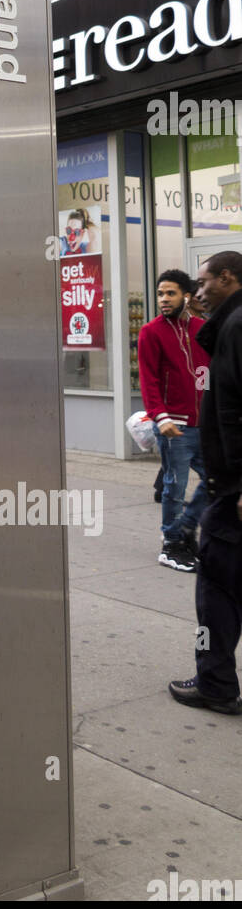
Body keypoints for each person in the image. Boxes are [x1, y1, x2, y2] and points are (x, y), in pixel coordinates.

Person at [169, 251, 242, 714]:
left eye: (204, 282)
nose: (198, 292)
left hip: (231, 491)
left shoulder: (235, 330)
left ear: (228, 278)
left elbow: (236, 414)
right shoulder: (229, 328)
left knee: (213, 589)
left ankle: (214, 680)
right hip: (229, 486)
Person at [137, 269, 210, 571]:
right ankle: (171, 545)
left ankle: (186, 530)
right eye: (160, 293)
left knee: (219, 480)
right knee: (174, 487)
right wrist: (160, 415)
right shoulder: (151, 332)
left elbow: (210, 375)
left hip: (204, 424)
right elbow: (148, 379)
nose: (164, 299)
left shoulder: (203, 329)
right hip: (173, 424)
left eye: (171, 293)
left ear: (186, 296)